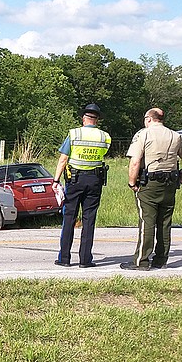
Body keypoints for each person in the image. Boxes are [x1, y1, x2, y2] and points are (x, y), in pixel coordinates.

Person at [122, 108, 182, 270]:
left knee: (147, 221)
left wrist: (132, 183)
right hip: (170, 183)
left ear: (149, 119)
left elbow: (135, 161)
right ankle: (161, 260)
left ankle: (141, 261)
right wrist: (180, 179)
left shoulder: (144, 134)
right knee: (164, 222)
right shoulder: (176, 136)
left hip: (150, 183)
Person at [52, 103, 112, 268]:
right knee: (89, 220)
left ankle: (64, 258)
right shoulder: (104, 137)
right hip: (94, 181)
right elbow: (103, 153)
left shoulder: (74, 134)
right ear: (97, 120)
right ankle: (85, 260)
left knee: (69, 218)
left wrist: (56, 180)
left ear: (83, 118)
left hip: (74, 181)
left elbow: (63, 159)